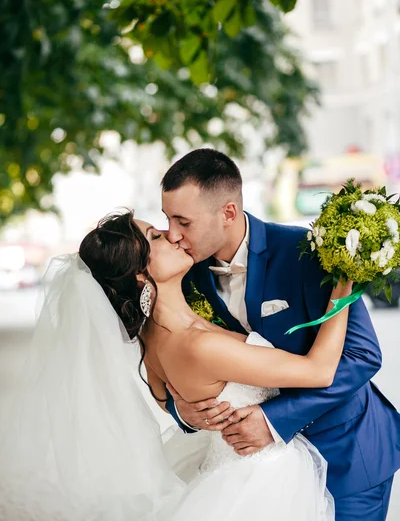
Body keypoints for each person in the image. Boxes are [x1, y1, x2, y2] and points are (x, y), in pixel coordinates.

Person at [0, 210, 352, 521]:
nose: (171, 235)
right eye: (155, 236)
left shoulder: (151, 338)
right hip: (263, 479)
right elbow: (318, 371)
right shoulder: (197, 345)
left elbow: (161, 395)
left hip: (225, 470)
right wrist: (344, 281)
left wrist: (180, 408)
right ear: (141, 275)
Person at [161, 148, 400, 521]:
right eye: (167, 220)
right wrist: (184, 410)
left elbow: (362, 356)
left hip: (346, 457)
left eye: (183, 222)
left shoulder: (305, 253)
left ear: (228, 212)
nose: (173, 235)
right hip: (258, 476)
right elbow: (169, 358)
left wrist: (274, 420)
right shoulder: (183, 275)